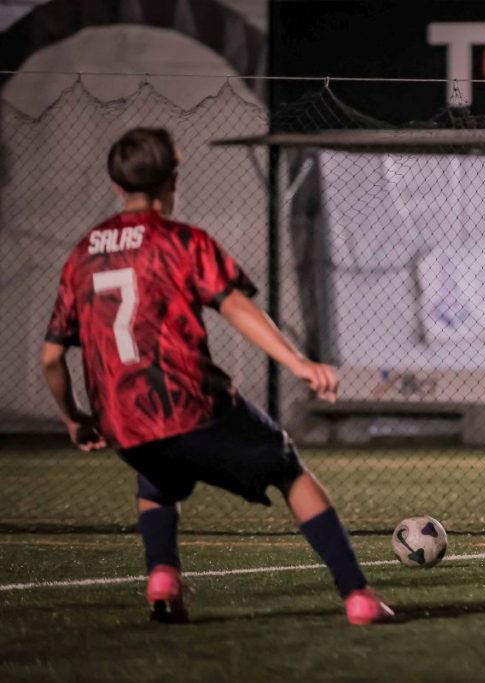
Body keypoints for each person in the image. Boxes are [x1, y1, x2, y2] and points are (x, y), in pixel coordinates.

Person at [40, 127, 392, 625]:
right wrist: (298, 363)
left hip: (123, 421)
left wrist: (75, 417)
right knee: (288, 469)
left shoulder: (83, 255)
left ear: (117, 186)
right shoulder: (182, 242)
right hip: (190, 404)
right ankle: (358, 595)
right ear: (173, 180)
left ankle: (163, 581)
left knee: (156, 477)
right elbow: (236, 307)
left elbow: (51, 357)